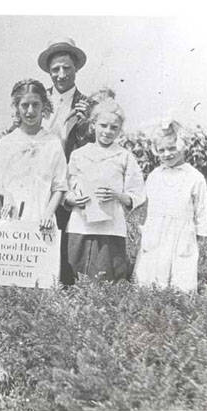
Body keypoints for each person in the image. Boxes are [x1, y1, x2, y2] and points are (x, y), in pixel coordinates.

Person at [0, 79, 68, 294]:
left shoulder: (53, 143)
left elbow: (60, 186)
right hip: (12, 221)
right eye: (24, 105)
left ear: (44, 107)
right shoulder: (8, 142)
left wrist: (49, 212)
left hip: (42, 220)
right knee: (9, 286)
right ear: (17, 108)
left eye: (35, 105)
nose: (30, 111)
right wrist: (6, 194)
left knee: (40, 285)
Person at [64, 99, 146, 282]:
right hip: (81, 225)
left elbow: (138, 194)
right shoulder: (79, 155)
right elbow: (66, 187)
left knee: (108, 277)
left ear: (119, 130)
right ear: (93, 125)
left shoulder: (124, 156)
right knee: (77, 274)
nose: (108, 131)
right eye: (103, 125)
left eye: (114, 127)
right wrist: (72, 199)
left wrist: (117, 195)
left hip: (111, 227)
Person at [37, 37, 94, 286]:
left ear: (76, 69)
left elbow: (92, 151)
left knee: (64, 250)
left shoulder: (88, 106)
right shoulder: (37, 101)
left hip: (68, 186)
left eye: (66, 68)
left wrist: (84, 126)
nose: (61, 75)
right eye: (55, 70)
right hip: (37, 183)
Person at [133, 120, 207, 292]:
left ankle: (178, 303)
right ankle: (152, 302)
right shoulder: (154, 176)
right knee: (152, 271)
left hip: (182, 232)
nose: (167, 154)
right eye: (161, 150)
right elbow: (148, 204)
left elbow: (201, 209)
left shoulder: (194, 177)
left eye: (172, 148)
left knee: (181, 271)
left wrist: (200, 234)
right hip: (156, 229)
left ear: (182, 146)